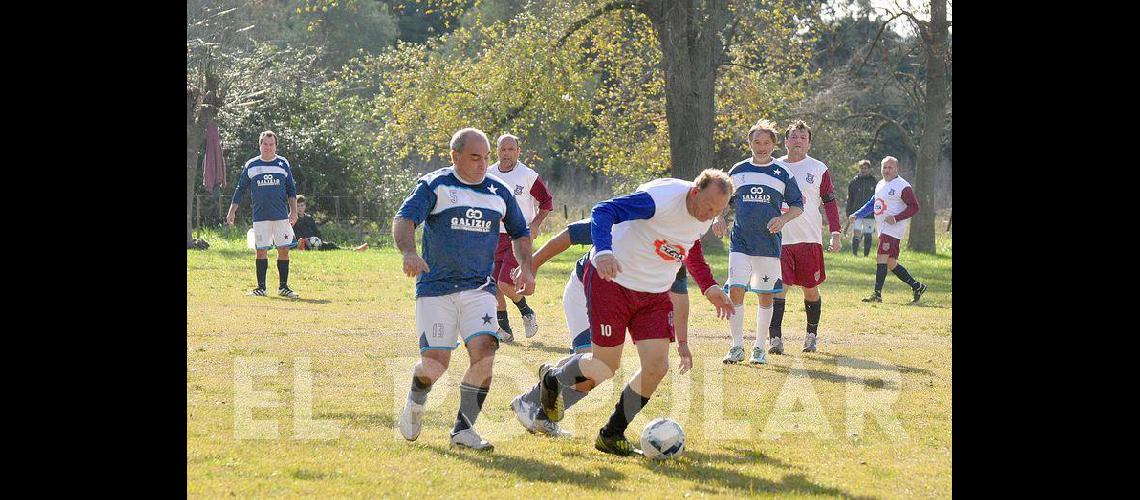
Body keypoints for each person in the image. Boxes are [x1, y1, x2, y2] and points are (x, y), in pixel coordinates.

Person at [531, 170, 735, 456]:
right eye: (709, 207)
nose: (710, 215)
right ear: (694, 192)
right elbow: (604, 210)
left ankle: (611, 434)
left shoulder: (705, 214)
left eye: (718, 211)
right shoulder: (660, 199)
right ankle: (553, 377)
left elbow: (691, 247)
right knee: (605, 366)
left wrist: (709, 286)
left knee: (657, 366)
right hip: (612, 283)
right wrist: (603, 251)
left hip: (653, 295)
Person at [392, 128, 536, 452]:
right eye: (475, 157)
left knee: (486, 352)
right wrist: (409, 253)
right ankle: (416, 400)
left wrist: (526, 266)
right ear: (455, 156)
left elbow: (520, 232)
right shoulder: (436, 185)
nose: (483, 164)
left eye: (486, 157)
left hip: (479, 288)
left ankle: (464, 429)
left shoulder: (498, 191)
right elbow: (404, 220)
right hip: (436, 288)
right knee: (435, 365)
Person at [508, 218, 705, 437]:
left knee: (596, 372)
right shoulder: (629, 220)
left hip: (616, 301)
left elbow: (679, 294)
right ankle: (529, 401)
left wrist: (683, 343)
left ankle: (544, 415)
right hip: (585, 290)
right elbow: (569, 235)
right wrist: (530, 266)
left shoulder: (676, 244)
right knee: (595, 362)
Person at [713, 119, 804, 363]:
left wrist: (783, 220)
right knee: (736, 290)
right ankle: (736, 346)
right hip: (740, 241)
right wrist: (718, 218)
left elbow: (798, 206)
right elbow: (721, 199)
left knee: (765, 295)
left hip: (768, 244)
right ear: (750, 143)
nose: (761, 147)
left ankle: (760, 348)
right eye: (757, 142)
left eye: (766, 142)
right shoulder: (738, 170)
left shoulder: (782, 173)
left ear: (774, 145)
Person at [771, 120, 844, 353]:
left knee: (810, 289)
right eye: (793, 137)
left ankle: (811, 335)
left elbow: (830, 203)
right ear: (785, 141)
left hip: (809, 239)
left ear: (809, 143)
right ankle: (775, 339)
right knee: (778, 287)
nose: (798, 141)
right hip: (779, 238)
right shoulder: (773, 166)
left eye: (803, 138)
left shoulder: (818, 169)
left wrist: (835, 232)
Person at [488, 134, 553, 342]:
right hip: (493, 236)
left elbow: (547, 202)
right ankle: (504, 329)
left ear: (518, 151)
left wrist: (535, 224)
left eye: (510, 149)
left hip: (519, 236)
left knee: (506, 283)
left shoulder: (528, 175)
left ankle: (527, 312)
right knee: (493, 285)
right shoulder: (488, 174)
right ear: (496, 151)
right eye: (502, 149)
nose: (506, 153)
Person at [225, 130, 301, 298]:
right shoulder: (251, 165)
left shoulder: (282, 163)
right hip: (260, 217)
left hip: (281, 216)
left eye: (271, 144)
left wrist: (293, 211)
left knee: (284, 250)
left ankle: (283, 287)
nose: (268, 147)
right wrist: (232, 210)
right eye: (264, 144)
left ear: (276, 146)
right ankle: (261, 288)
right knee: (261, 251)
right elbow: (240, 189)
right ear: (260, 145)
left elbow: (291, 189)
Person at [849, 156, 928, 303]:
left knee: (881, 257)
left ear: (897, 169)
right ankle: (917, 286)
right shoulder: (880, 184)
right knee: (891, 262)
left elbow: (914, 207)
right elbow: (872, 203)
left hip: (893, 230)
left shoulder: (903, 186)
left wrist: (896, 218)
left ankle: (877, 294)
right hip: (883, 229)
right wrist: (858, 214)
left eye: (890, 167)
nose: (886, 170)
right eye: (884, 167)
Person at [847, 160, 878, 257]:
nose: (863, 170)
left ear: (869, 169)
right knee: (856, 233)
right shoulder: (854, 182)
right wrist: (849, 213)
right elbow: (850, 199)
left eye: (865, 168)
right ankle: (854, 254)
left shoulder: (874, 182)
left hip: (870, 214)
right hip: (857, 213)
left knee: (868, 235)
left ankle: (866, 256)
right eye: (862, 168)